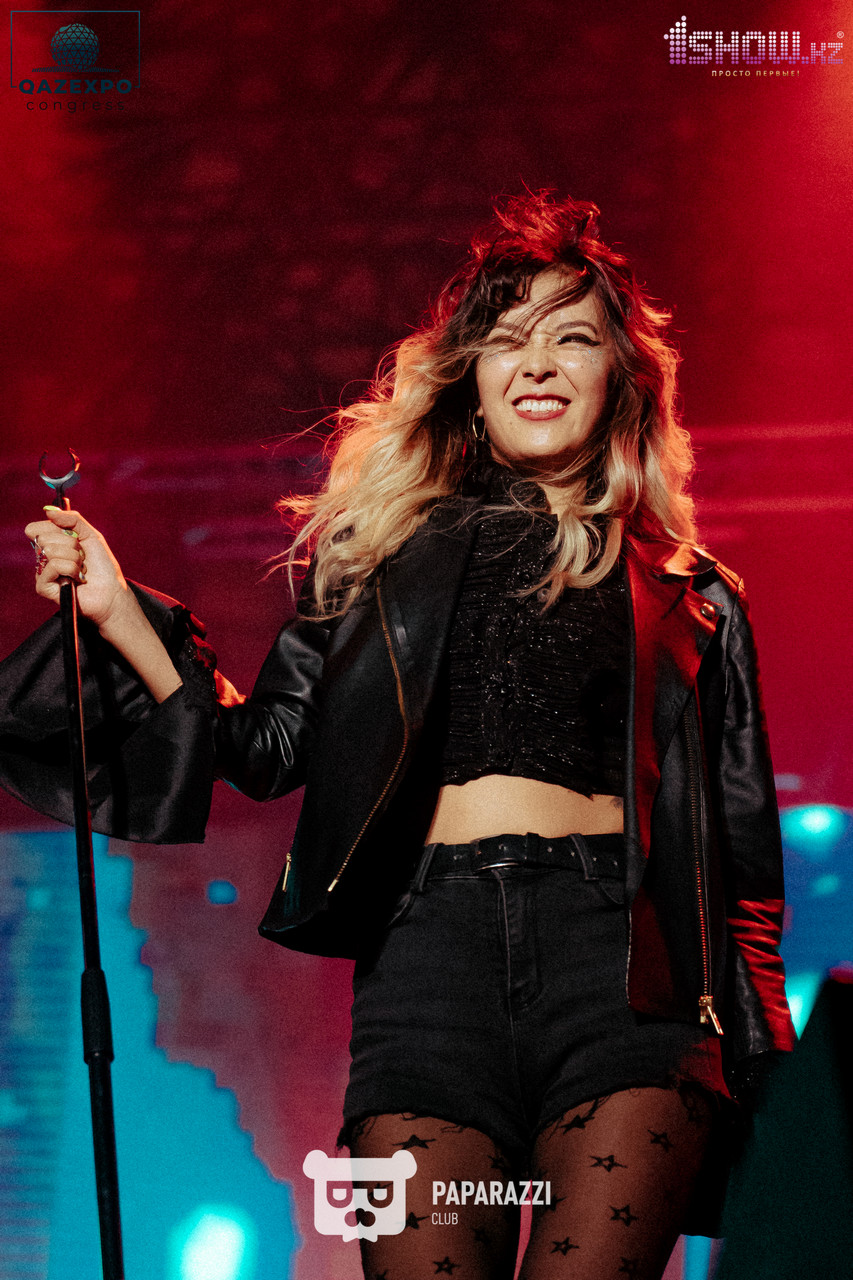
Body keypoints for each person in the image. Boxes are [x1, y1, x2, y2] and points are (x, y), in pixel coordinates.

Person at [1, 192, 795, 1280]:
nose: (538, 362)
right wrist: (120, 613)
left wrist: (766, 1064)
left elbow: (744, 873)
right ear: (469, 376)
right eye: (508, 338)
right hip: (428, 973)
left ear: (620, 378)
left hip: (623, 979)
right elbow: (268, 748)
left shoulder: (694, 595)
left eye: (572, 337)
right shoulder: (376, 557)